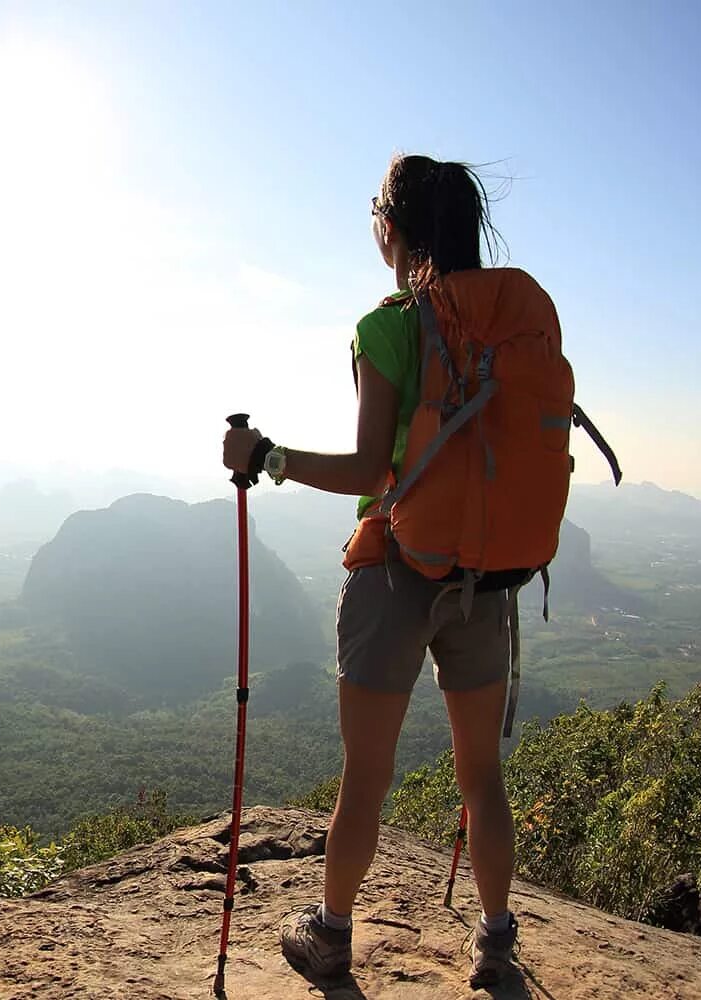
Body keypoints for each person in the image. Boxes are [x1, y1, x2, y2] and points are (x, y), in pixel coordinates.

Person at [222, 153, 523, 989]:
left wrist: (267, 456)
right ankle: (497, 942)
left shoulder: (389, 326)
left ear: (392, 229)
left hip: (396, 568)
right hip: (487, 576)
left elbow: (369, 471)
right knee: (482, 774)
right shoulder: (506, 324)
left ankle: (331, 935)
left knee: (367, 774)